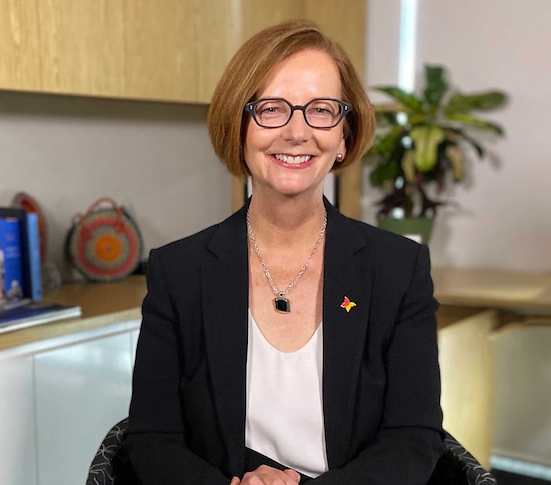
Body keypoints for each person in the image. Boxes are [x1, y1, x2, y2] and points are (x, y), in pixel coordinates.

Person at [122, 20, 445, 485]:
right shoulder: (178, 271)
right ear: (240, 126)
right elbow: (152, 437)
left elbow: (414, 436)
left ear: (344, 137)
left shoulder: (399, 268)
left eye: (321, 110)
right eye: (272, 109)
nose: (297, 132)